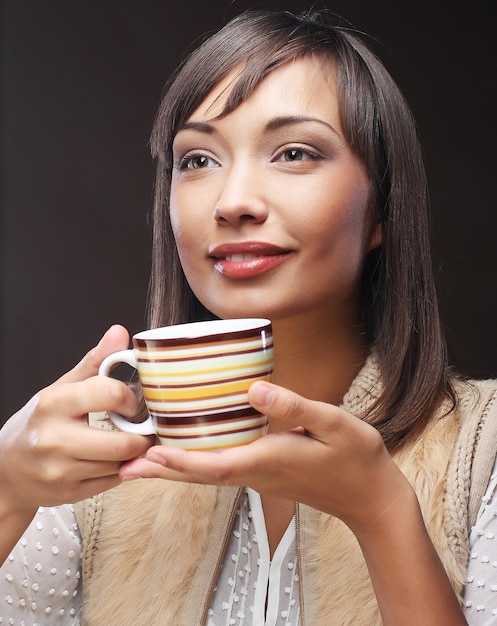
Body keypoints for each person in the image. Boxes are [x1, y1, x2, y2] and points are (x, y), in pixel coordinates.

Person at [1, 8, 496, 625]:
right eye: (198, 160)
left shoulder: (486, 448)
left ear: (382, 214)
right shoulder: (90, 461)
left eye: (293, 152)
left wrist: (383, 514)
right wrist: (5, 495)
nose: (233, 203)